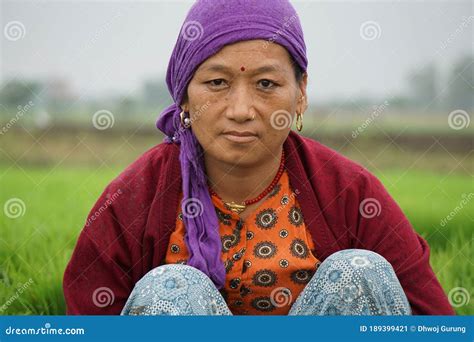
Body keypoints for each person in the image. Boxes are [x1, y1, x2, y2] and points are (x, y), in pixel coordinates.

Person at [63, 0, 455, 316]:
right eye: (217, 83)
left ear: (300, 93)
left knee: (361, 273)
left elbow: (433, 318)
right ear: (183, 95)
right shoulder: (133, 197)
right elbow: (89, 318)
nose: (241, 109)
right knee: (173, 291)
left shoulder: (350, 192)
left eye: (266, 84)